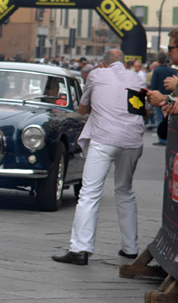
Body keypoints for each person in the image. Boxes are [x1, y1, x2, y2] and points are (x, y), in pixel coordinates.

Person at [52, 49, 146, 266]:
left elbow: (83, 108)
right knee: (125, 190)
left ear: (103, 65)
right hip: (132, 140)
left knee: (90, 192)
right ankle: (130, 248)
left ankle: (80, 249)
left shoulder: (96, 75)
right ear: (124, 63)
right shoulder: (136, 78)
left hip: (104, 138)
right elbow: (141, 109)